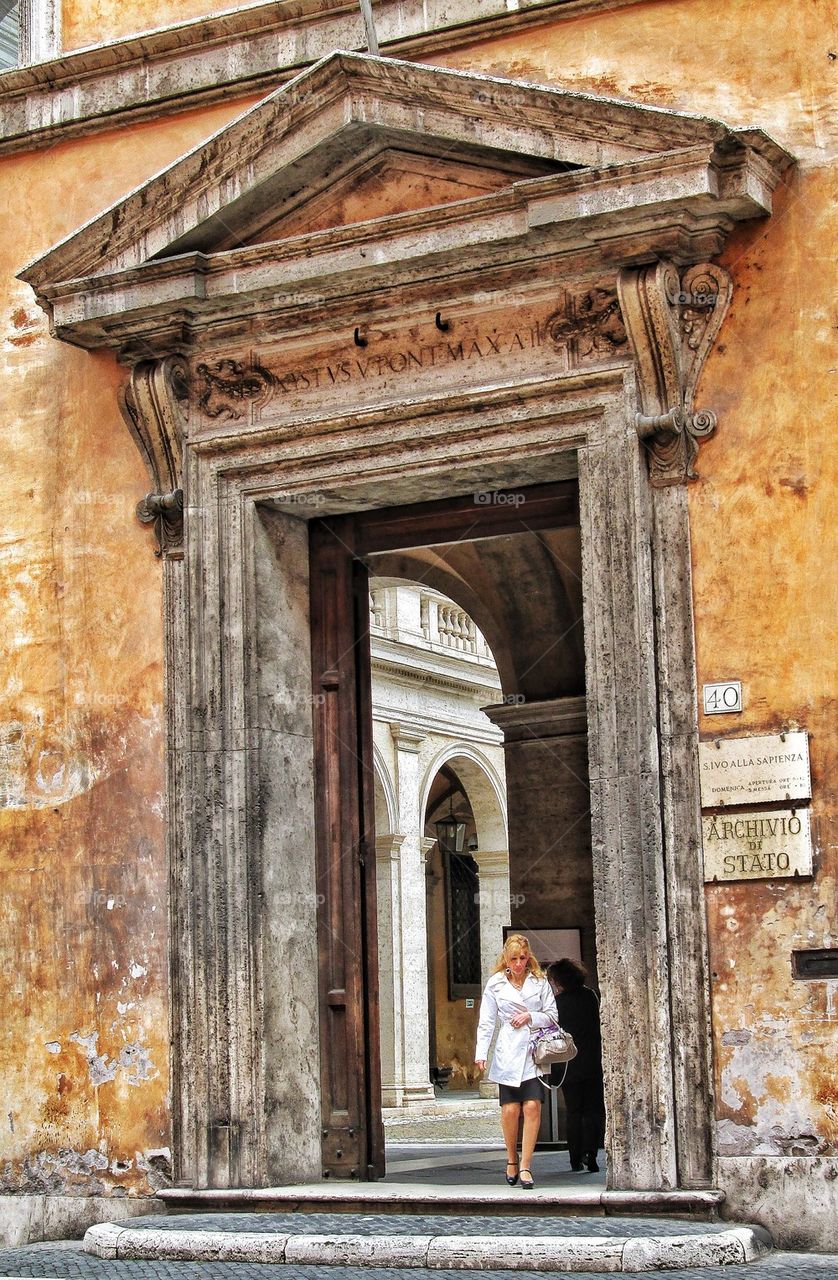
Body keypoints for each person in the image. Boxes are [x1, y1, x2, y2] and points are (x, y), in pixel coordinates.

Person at [474, 934, 557, 1189]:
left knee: (532, 1105)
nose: (519, 963)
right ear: (506, 959)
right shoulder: (496, 984)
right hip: (509, 1050)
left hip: (533, 1050)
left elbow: (553, 1015)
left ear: (528, 957)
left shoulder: (539, 982)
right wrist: (481, 1052)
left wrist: (530, 1016)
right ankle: (511, 1158)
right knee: (511, 1109)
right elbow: (487, 1021)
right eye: (514, 958)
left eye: (523, 958)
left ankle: (526, 1165)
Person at [546, 957, 605, 1174]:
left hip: (568, 1064)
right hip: (592, 1060)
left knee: (574, 1111)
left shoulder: (557, 1003)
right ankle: (591, 1153)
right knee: (593, 1109)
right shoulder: (591, 996)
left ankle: (574, 1158)